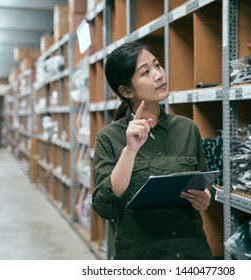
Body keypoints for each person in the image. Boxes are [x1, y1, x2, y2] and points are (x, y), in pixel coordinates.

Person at [92, 41, 216, 260]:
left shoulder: (187, 128)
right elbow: (105, 207)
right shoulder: (109, 138)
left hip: (192, 254)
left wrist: (206, 197)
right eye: (146, 72)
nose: (159, 75)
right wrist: (129, 151)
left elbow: (205, 184)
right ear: (126, 90)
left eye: (157, 65)